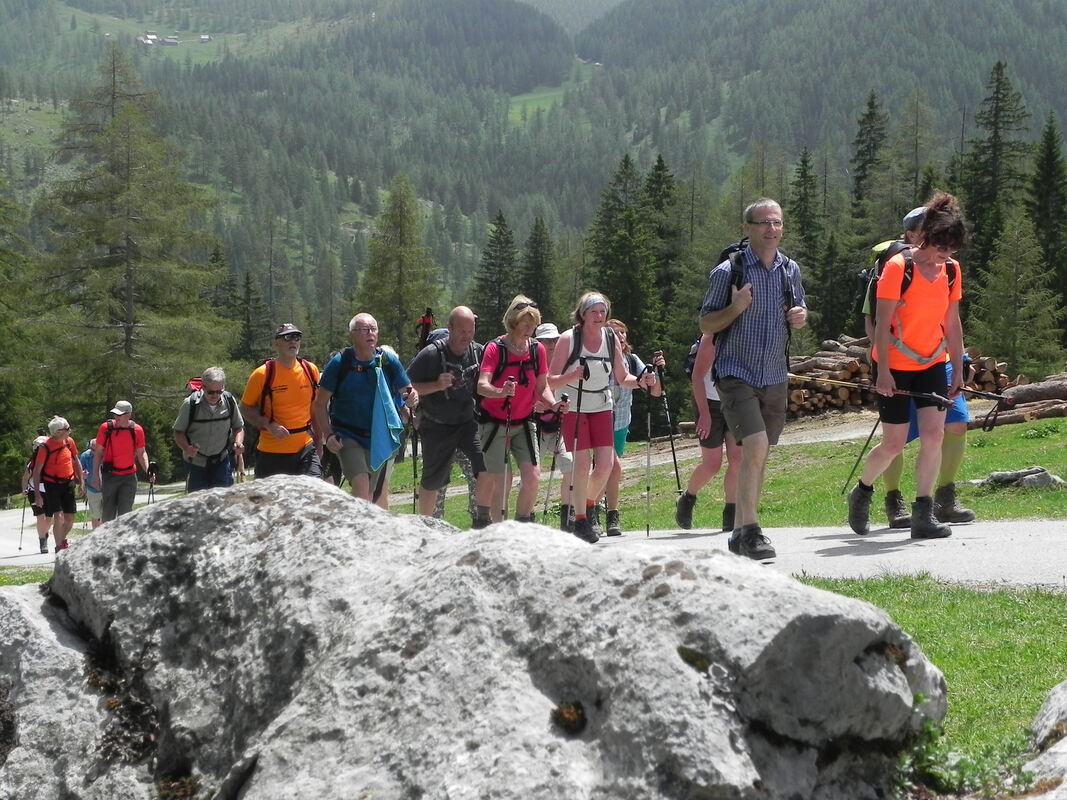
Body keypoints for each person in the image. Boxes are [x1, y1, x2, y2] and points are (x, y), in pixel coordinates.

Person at [848, 193, 968, 540]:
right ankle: (863, 490)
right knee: (894, 444)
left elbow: (952, 323)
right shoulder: (899, 267)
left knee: (934, 436)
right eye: (942, 246)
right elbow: (881, 324)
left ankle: (923, 513)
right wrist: (883, 371)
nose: (946, 254)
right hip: (894, 365)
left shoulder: (951, 270)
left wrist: (958, 367)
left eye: (952, 248)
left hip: (932, 363)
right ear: (926, 236)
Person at [699, 198, 807, 560]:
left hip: (774, 373)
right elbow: (706, 323)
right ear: (747, 229)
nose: (771, 229)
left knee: (759, 453)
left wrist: (800, 316)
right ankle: (751, 531)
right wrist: (736, 307)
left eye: (776, 223)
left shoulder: (790, 270)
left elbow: (798, 309)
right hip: (736, 372)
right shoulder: (728, 272)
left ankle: (740, 532)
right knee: (756, 446)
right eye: (764, 223)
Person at [549, 293, 656, 543]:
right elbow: (550, 380)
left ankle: (585, 507)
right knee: (582, 464)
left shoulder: (610, 338)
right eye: (594, 312)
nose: (599, 316)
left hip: (601, 405)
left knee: (606, 464)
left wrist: (642, 381)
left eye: (602, 311)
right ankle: (581, 520)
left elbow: (623, 377)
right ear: (583, 314)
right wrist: (572, 375)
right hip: (574, 406)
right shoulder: (568, 339)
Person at [474, 296, 562, 527]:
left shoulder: (536, 349)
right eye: (526, 323)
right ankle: (495, 528)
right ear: (513, 322)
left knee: (533, 476)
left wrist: (553, 404)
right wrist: (500, 392)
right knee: (501, 479)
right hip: (494, 423)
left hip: (524, 422)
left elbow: (542, 387)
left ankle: (521, 526)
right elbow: (482, 386)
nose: (530, 328)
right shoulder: (495, 348)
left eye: (533, 324)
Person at [313, 314, 417, 502]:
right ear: (353, 334)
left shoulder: (388, 360)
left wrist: (411, 397)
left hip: (378, 436)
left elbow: (407, 390)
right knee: (361, 484)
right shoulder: (340, 363)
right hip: (347, 435)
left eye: (373, 329)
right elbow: (319, 404)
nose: (370, 333)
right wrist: (328, 435)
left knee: (369, 496)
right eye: (364, 329)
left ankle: (352, 519)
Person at [407, 306, 485, 517]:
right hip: (436, 426)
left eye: (471, 331)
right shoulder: (431, 354)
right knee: (432, 481)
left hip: (467, 423)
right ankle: (425, 525)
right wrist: (436, 385)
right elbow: (406, 386)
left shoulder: (478, 351)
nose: (467, 336)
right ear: (450, 327)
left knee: (485, 468)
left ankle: (482, 521)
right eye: (462, 331)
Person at [675, 332, 742, 531]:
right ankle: (688, 498)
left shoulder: (746, 335)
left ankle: (731, 513)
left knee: (737, 459)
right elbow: (696, 377)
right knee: (712, 464)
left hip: (735, 402)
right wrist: (704, 414)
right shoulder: (711, 338)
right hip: (709, 403)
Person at [602, 318, 663, 536]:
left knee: (609, 470)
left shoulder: (631, 360)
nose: (620, 336)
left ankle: (602, 512)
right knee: (612, 467)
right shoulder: (598, 359)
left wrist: (656, 372)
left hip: (620, 423)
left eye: (622, 332)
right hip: (599, 421)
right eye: (614, 332)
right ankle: (605, 513)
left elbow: (655, 392)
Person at [240, 324, 323, 479]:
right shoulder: (262, 374)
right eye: (287, 337)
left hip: (306, 449)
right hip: (272, 453)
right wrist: (269, 424)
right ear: (276, 343)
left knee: (313, 492)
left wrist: (319, 442)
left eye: (297, 337)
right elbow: (245, 408)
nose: (293, 341)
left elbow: (315, 409)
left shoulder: (310, 370)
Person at [173, 366, 246, 493]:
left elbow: (238, 427)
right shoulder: (190, 404)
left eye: (219, 391)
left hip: (222, 461)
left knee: (223, 498)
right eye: (211, 392)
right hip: (196, 463)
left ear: (223, 387)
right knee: (197, 501)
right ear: (203, 387)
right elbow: (178, 432)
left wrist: (238, 442)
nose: (215, 395)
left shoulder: (229, 401)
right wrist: (186, 448)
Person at [532, 323, 575, 529]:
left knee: (570, 465)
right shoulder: (530, 365)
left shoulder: (566, 366)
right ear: (537, 343)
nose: (551, 344)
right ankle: (527, 517)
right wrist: (533, 406)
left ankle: (568, 517)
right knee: (532, 473)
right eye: (546, 341)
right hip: (536, 426)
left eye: (554, 340)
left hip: (560, 424)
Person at [29, 417, 84, 552]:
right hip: (52, 485)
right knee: (58, 517)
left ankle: (61, 539)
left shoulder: (69, 442)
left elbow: (76, 461)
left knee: (70, 519)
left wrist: (82, 482)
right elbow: (37, 471)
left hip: (68, 483)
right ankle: (59, 547)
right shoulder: (45, 447)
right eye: (67, 429)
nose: (70, 430)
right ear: (58, 432)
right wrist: (37, 495)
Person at [91, 400, 150, 522]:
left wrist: (148, 470)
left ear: (128, 415)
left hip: (129, 477)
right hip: (109, 476)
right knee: (108, 514)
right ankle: (107, 535)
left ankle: (123, 535)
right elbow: (98, 452)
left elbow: (141, 453)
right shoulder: (106, 428)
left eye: (119, 414)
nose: (116, 417)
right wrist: (95, 475)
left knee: (126, 515)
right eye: (115, 414)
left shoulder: (137, 430)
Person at [79, 439, 103, 529]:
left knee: (107, 514)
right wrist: (83, 475)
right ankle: (96, 533)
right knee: (96, 515)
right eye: (93, 450)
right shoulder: (85, 456)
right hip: (92, 489)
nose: (95, 452)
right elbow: (80, 471)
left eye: (97, 450)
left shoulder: (107, 454)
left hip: (107, 489)